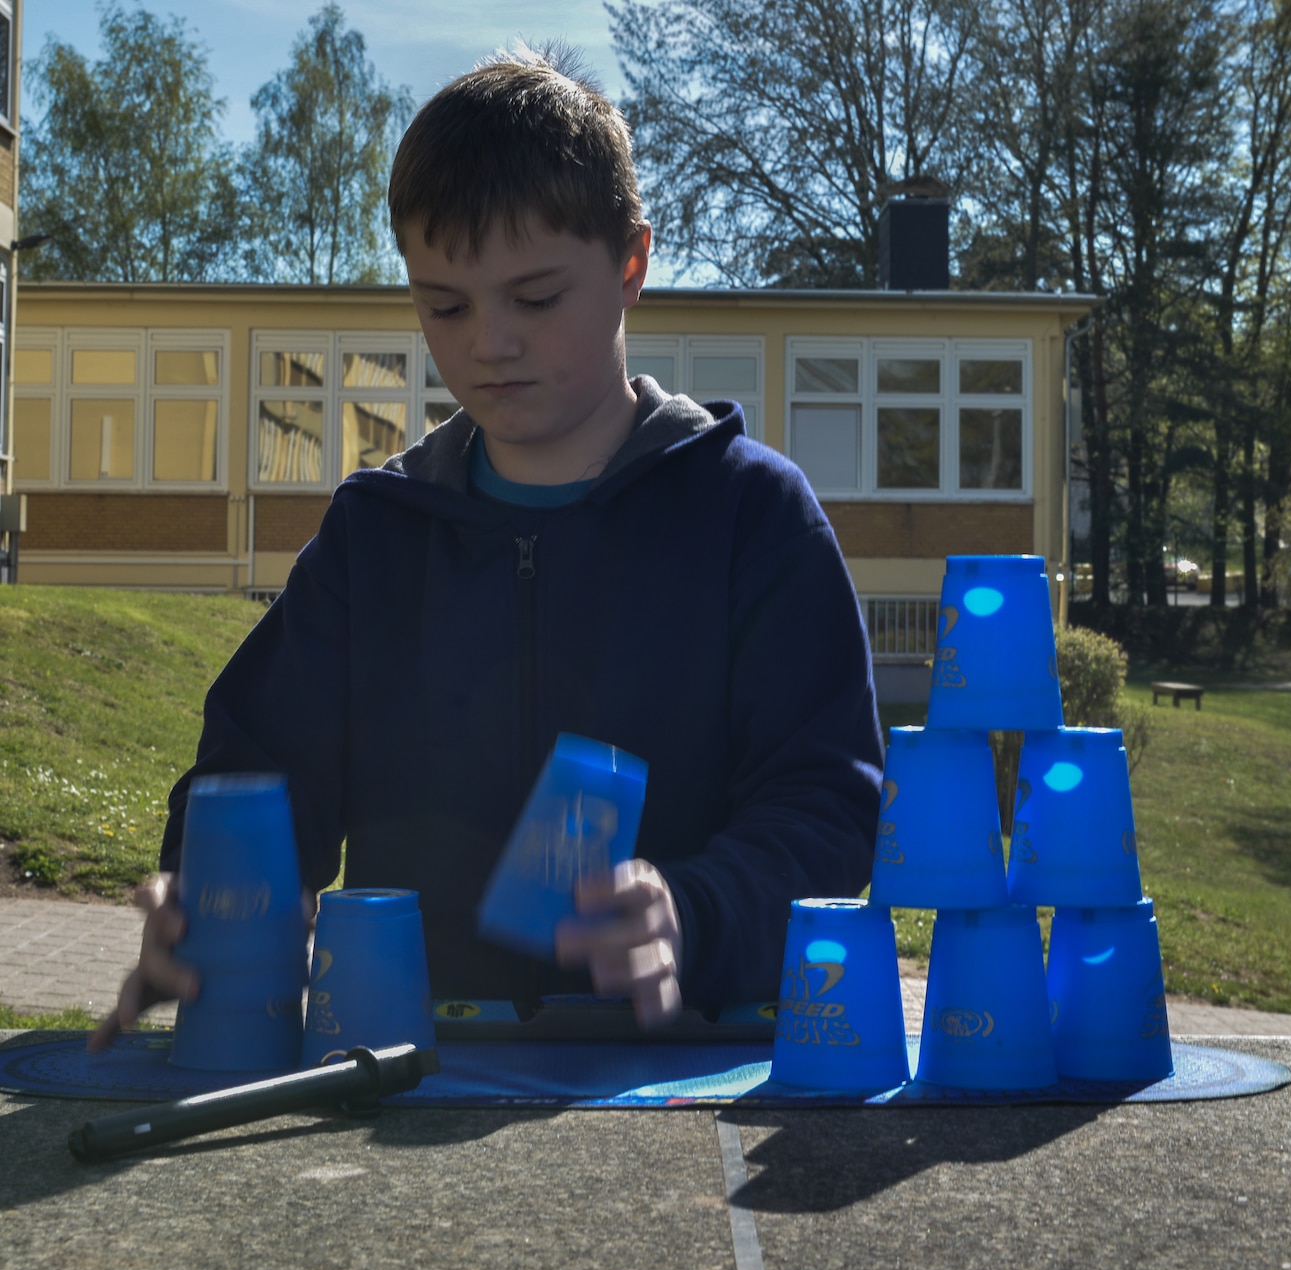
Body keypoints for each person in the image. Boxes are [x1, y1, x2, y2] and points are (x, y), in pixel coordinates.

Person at [91, 47, 884, 1050]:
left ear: (631, 264)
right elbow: (257, 770)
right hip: (401, 1076)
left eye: (536, 297)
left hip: (684, 1066)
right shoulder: (376, 532)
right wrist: (209, 903)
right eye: (444, 305)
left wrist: (696, 910)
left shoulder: (751, 513)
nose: (487, 343)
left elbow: (827, 805)